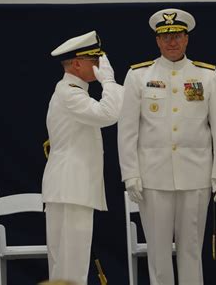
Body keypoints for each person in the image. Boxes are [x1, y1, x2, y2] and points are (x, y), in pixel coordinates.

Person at [118, 8, 216, 285]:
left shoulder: (207, 76)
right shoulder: (138, 75)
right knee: (157, 252)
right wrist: (130, 173)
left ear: (187, 38)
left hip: (196, 176)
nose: (172, 42)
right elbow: (127, 130)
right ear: (157, 40)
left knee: (191, 249)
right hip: (153, 177)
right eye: (165, 36)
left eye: (178, 35)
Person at [42, 30, 124, 285]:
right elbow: (108, 114)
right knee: (70, 267)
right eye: (94, 61)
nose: (99, 66)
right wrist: (109, 82)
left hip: (70, 188)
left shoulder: (72, 92)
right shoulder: (69, 93)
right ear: (77, 64)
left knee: (67, 265)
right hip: (71, 188)